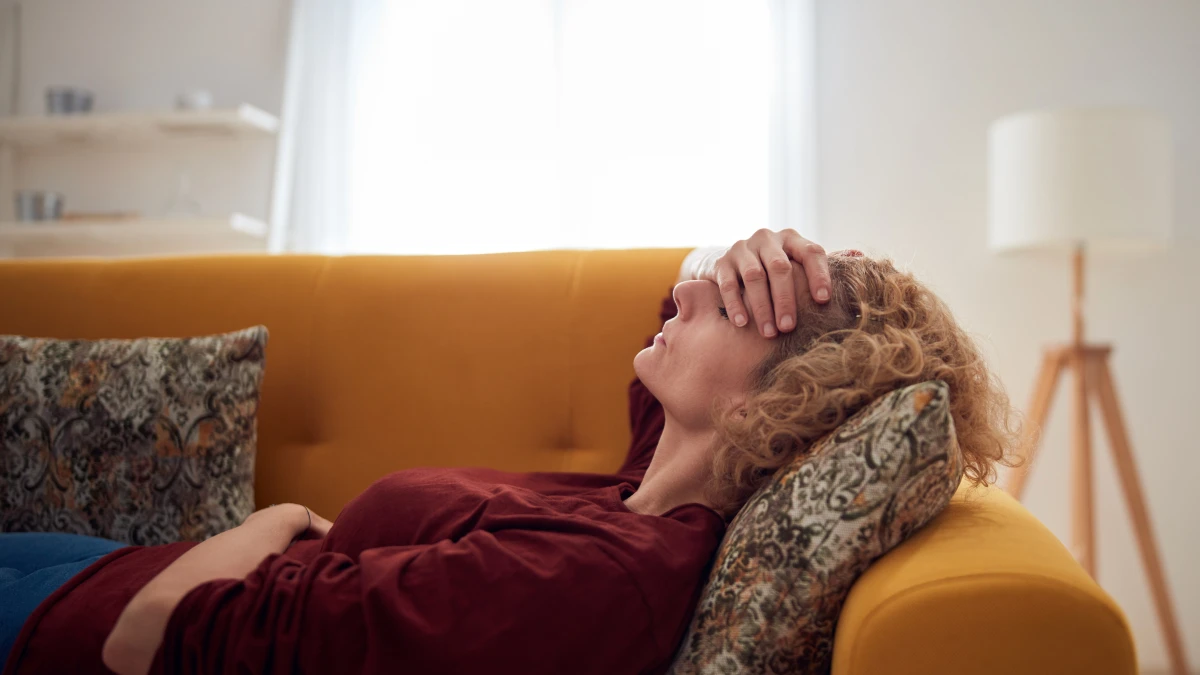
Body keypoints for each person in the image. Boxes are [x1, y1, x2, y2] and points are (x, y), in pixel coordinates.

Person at [0, 229, 1019, 675]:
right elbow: (682, 293)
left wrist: (271, 523)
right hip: (87, 567)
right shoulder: (645, 492)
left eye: (737, 310)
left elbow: (144, 640)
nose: (698, 291)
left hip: (60, 628)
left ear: (780, 401)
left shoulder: (586, 582)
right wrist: (754, 254)